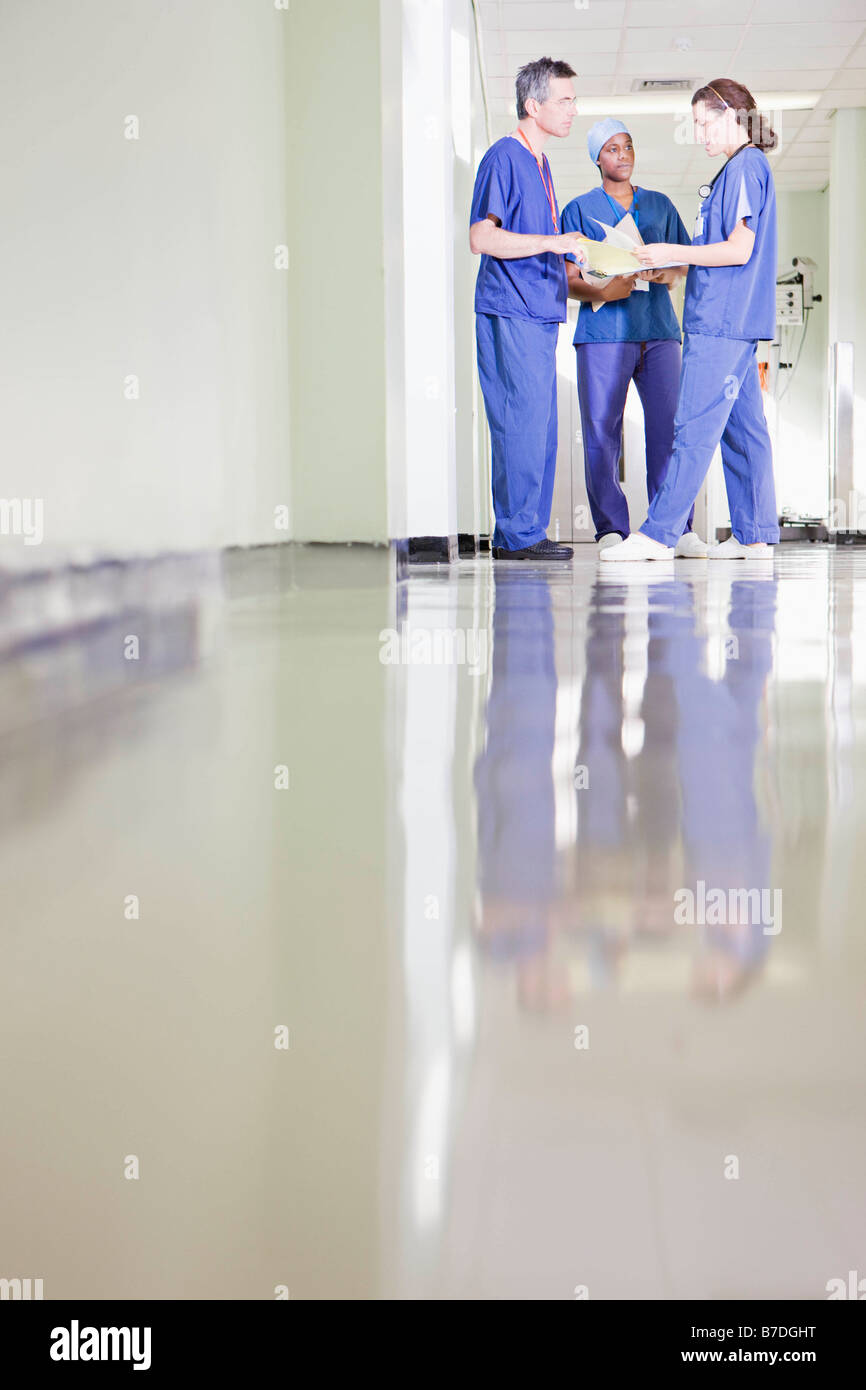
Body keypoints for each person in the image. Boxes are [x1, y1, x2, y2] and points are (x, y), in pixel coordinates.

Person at [601, 80, 780, 563]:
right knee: (744, 430)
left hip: (721, 323)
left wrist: (672, 251)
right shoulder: (736, 171)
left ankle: (658, 534)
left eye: (704, 124)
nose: (699, 135)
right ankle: (756, 535)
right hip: (734, 323)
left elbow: (739, 248)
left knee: (694, 428)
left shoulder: (745, 166)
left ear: (732, 116)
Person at [561, 120, 708, 557]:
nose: (622, 155)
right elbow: (568, 278)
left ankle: (676, 528)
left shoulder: (659, 205)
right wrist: (603, 289)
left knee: (669, 431)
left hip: (660, 333)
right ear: (596, 159)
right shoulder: (578, 210)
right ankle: (610, 527)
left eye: (627, 146)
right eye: (611, 148)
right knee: (602, 433)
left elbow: (683, 264)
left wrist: (667, 272)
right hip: (603, 334)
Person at [469, 57, 588, 561]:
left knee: (540, 428)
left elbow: (543, 247)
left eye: (574, 100)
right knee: (520, 423)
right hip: (511, 309)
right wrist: (552, 240)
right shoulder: (505, 156)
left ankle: (522, 531)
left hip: (540, 314)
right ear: (532, 105)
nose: (573, 110)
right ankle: (518, 536)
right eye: (564, 100)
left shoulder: (542, 165)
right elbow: (482, 237)